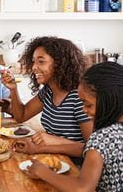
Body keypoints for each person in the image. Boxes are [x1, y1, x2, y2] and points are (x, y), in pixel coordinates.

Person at [25, 62, 123, 192]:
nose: (83, 110)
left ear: (109, 101)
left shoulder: (100, 138)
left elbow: (82, 188)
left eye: (88, 105)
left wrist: (42, 171)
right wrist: (40, 148)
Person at [0, 36, 93, 157]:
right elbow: (21, 116)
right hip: (54, 158)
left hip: (77, 168)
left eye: (41, 61)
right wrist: (13, 88)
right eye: (34, 61)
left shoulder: (79, 97)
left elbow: (93, 149)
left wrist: (54, 142)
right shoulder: (48, 92)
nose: (34, 67)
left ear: (59, 64)